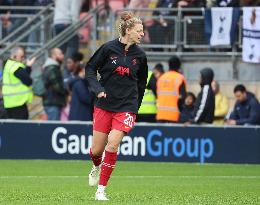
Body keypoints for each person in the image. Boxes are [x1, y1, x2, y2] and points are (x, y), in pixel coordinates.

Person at [86, 11, 148, 200]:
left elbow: (141, 84)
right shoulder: (107, 48)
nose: (142, 34)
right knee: (97, 150)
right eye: (139, 30)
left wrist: (134, 109)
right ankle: (96, 166)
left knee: (112, 145)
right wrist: (97, 89)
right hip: (104, 104)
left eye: (142, 31)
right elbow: (90, 68)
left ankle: (101, 190)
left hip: (126, 107)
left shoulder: (141, 56)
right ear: (128, 30)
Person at [2, 46, 35, 119]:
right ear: (14, 56)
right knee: (21, 127)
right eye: (22, 56)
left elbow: (24, 78)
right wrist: (28, 67)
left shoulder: (9, 65)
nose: (23, 59)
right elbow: (28, 81)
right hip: (18, 103)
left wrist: (28, 67)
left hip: (10, 102)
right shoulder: (15, 66)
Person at [156, 55, 187, 123]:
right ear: (179, 66)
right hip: (174, 117)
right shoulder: (180, 78)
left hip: (160, 115)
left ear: (168, 65)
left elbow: (157, 95)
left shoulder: (161, 78)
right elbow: (183, 97)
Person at [42, 48, 67, 120]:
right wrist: (66, 91)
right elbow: (58, 87)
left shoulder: (49, 67)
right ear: (53, 56)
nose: (63, 56)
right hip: (53, 102)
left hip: (51, 102)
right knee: (53, 127)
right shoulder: (53, 68)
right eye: (60, 54)